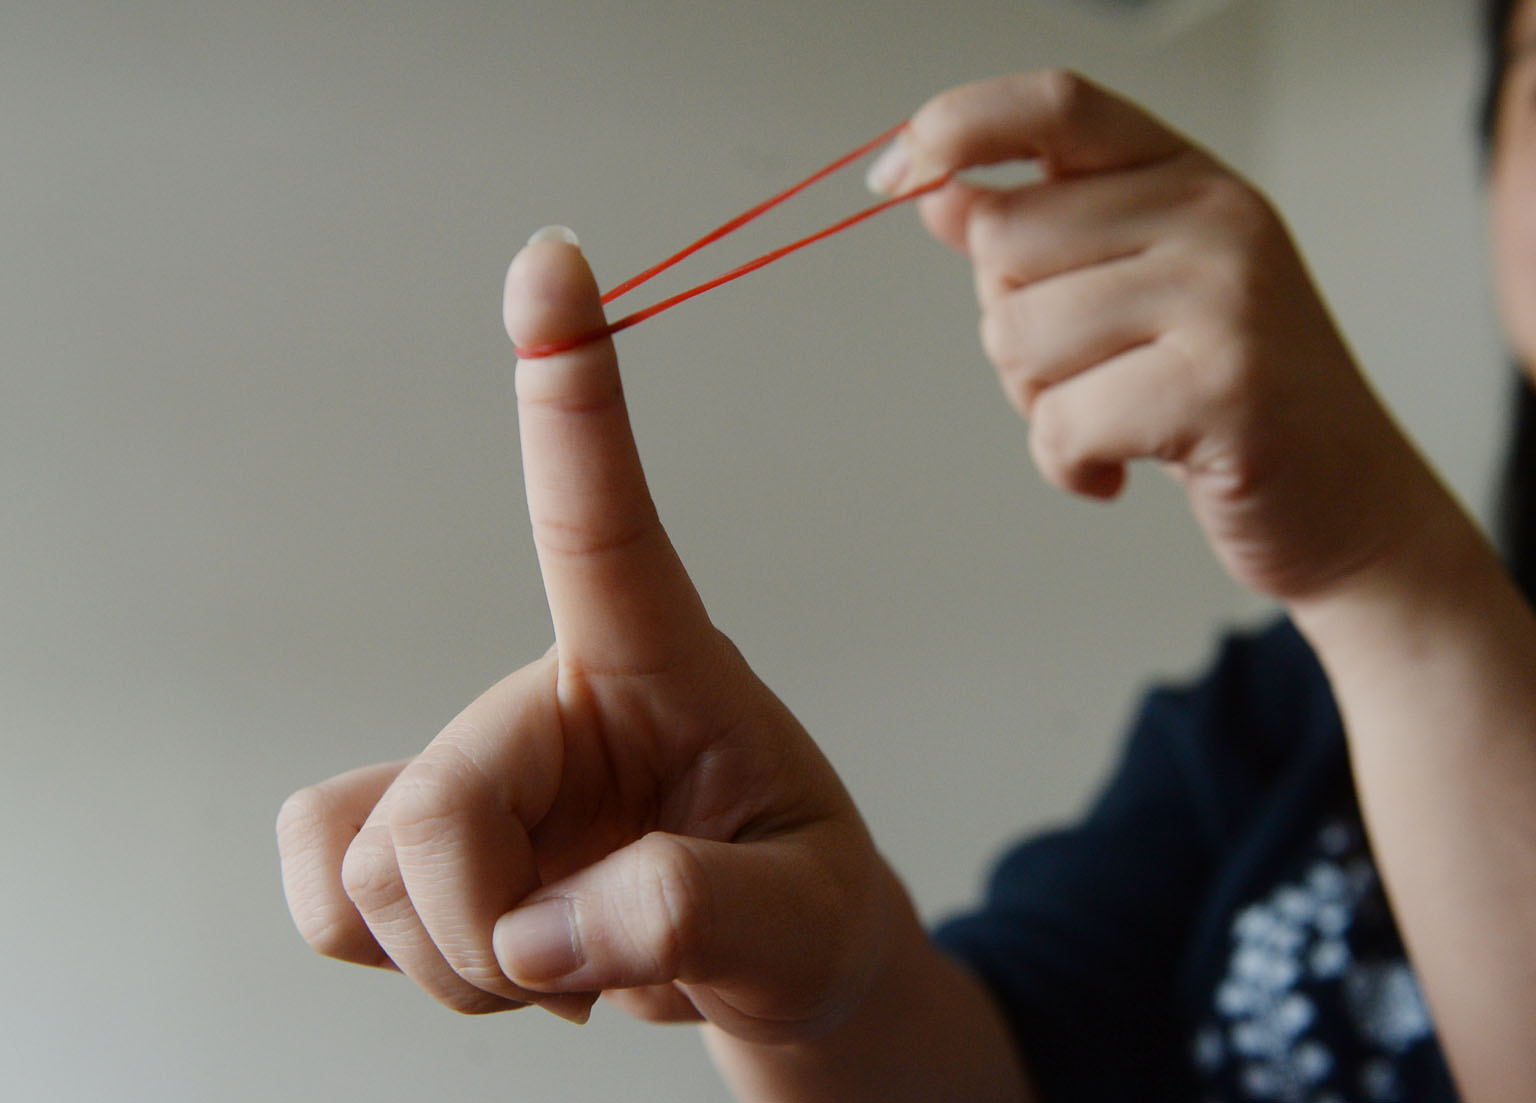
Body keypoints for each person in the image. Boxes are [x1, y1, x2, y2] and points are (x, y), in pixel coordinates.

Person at [276, 1, 1536, 1097]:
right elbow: (997, 1070)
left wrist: (1394, 583)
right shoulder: (1274, 724)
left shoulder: (1374, 633)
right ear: (1487, 174)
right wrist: (824, 982)